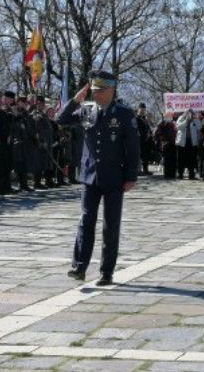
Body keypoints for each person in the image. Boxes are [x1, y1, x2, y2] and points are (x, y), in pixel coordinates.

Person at [57, 70, 140, 286]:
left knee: (110, 225)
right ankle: (79, 267)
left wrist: (131, 176)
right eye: (93, 90)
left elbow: (132, 147)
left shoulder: (124, 113)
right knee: (86, 221)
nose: (96, 94)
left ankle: (106, 272)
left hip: (114, 177)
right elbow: (61, 119)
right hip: (89, 176)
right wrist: (76, 99)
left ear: (111, 90)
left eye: (100, 90)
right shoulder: (86, 111)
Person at [175, 109, 200, 179]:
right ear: (185, 113)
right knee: (181, 159)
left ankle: (191, 174)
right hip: (182, 141)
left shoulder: (195, 119)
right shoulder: (181, 118)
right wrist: (186, 121)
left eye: (191, 112)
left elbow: (199, 127)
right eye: (188, 112)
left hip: (191, 141)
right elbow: (177, 127)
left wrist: (194, 119)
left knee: (192, 158)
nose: (189, 114)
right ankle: (180, 174)